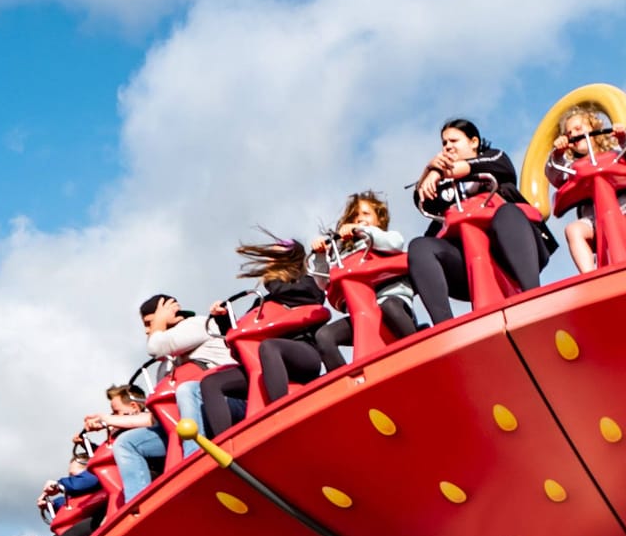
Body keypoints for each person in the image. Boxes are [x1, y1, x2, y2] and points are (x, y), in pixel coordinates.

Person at [406, 118, 553, 324]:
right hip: (466, 261)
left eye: (453, 140)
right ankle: (445, 325)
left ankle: (533, 296)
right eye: (444, 143)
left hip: (513, 246)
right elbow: (422, 199)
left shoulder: (494, 159)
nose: (447, 146)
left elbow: (501, 166)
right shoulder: (442, 185)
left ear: (473, 142)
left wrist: (441, 171)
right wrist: (428, 171)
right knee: (419, 246)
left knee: (507, 213)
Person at [198, 236, 329, 434]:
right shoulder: (264, 301)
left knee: (269, 346)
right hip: (263, 365)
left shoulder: (307, 285)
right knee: (210, 382)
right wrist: (224, 317)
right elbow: (241, 334)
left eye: (274, 256)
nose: (269, 262)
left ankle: (280, 413)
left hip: (302, 355)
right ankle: (226, 442)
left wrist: (273, 279)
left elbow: (310, 296)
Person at [544, 104, 626, 271]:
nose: (574, 135)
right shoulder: (572, 167)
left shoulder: (618, 152)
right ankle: (590, 276)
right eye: (569, 134)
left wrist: (624, 136)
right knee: (573, 230)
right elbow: (554, 175)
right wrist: (557, 154)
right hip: (595, 217)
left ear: (593, 128)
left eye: (578, 128)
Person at [312, 191, 416, 370]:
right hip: (360, 312)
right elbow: (323, 282)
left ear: (379, 219)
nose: (360, 219)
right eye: (355, 216)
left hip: (389, 299)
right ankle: (347, 381)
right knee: (324, 336)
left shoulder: (382, 239)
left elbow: (396, 244)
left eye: (366, 214)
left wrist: (363, 231)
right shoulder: (342, 254)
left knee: (388, 307)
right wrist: (321, 256)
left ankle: (417, 348)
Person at [138, 293, 233, 454]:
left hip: (225, 399)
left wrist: (159, 322)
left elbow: (154, 348)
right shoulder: (166, 363)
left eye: (150, 323)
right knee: (127, 444)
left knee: (186, 390)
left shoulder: (196, 325)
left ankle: (192, 456)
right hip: (188, 418)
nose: (148, 331)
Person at [82, 384, 166, 500]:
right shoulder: (119, 432)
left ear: (134, 407)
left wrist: (107, 420)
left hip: (156, 477)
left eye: (116, 412)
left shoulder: (151, 420)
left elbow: (149, 420)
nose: (114, 417)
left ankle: (136, 501)